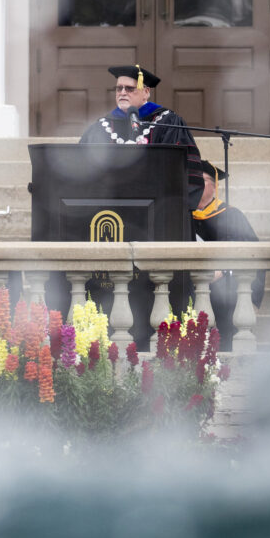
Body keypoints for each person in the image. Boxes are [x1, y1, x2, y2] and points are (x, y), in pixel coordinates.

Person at [79, 64, 203, 348]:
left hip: (158, 228)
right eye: (118, 88)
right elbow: (81, 176)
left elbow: (188, 178)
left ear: (145, 92)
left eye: (129, 88)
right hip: (110, 226)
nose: (122, 93)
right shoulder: (100, 128)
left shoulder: (169, 123)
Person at [192, 160, 265, 350]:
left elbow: (252, 253)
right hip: (192, 293)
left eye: (202, 180)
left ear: (214, 186)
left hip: (227, 295)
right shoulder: (183, 216)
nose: (194, 186)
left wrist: (253, 298)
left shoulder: (231, 215)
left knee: (227, 343)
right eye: (191, 181)